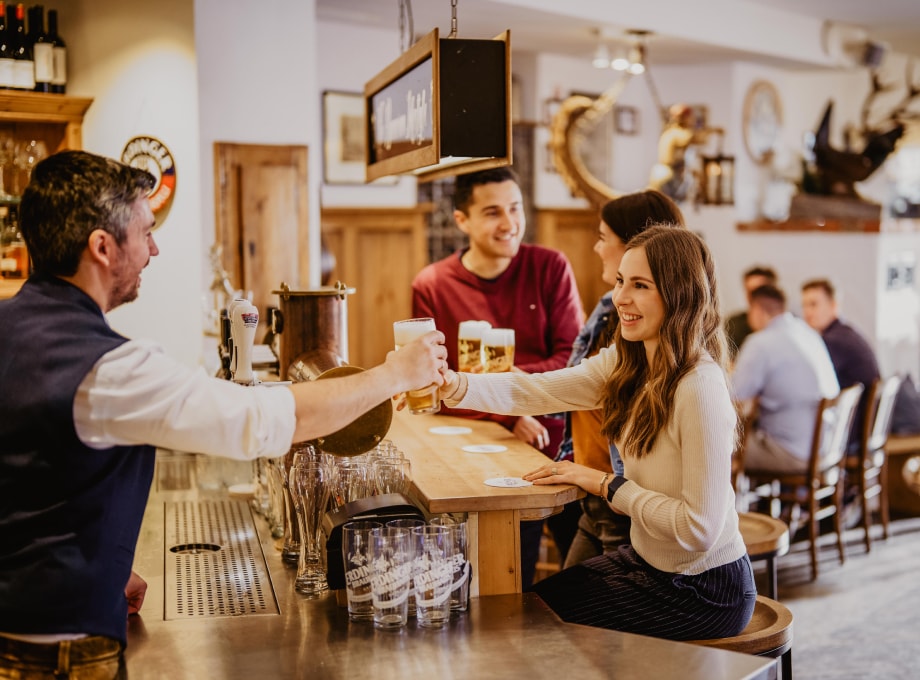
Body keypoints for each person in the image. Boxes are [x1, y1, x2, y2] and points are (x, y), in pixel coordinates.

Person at [0, 151, 446, 677]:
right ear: (102, 247)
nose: (154, 248)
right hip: (58, 655)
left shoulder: (11, 326)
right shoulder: (108, 368)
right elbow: (268, 421)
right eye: (145, 232)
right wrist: (395, 374)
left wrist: (99, 566)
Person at [438, 226, 756, 640]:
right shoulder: (629, 365)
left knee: (527, 628)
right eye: (622, 281)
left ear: (681, 295)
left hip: (704, 590)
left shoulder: (699, 387)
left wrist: (604, 483)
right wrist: (452, 385)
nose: (620, 297)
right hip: (649, 564)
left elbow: (698, 531)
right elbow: (535, 390)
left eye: (640, 285)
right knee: (522, 612)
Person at [412, 166, 585, 587]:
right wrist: (508, 416)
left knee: (584, 568)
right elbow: (434, 381)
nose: (509, 224)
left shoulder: (550, 266)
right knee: (508, 571)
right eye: (492, 212)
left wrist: (513, 396)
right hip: (483, 447)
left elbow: (572, 360)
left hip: (562, 440)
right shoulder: (433, 283)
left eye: (515, 208)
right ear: (462, 220)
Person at [556, 190, 685, 568]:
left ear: (637, 247)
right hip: (595, 499)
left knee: (569, 618)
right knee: (553, 611)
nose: (597, 248)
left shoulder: (637, 329)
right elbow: (573, 387)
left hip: (622, 504)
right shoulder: (608, 312)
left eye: (602, 237)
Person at [733, 284, 839, 474]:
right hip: (825, 448)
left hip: (792, 452)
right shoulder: (808, 333)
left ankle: (728, 504)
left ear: (757, 311)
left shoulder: (760, 342)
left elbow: (733, 397)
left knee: (714, 448)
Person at [801, 278, 880, 449]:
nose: (807, 312)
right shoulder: (844, 332)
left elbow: (808, 383)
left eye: (813, 304)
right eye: (805, 305)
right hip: (864, 429)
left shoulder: (834, 341)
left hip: (851, 434)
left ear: (833, 306)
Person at [648, 103, 722, 202]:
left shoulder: (670, 132)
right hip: (668, 174)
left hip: (666, 172)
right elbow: (694, 137)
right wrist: (712, 131)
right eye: (690, 118)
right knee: (669, 207)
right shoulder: (676, 134)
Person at [724, 265, 778, 359]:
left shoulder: (790, 325)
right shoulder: (733, 324)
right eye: (749, 291)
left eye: (759, 291)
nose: (753, 297)